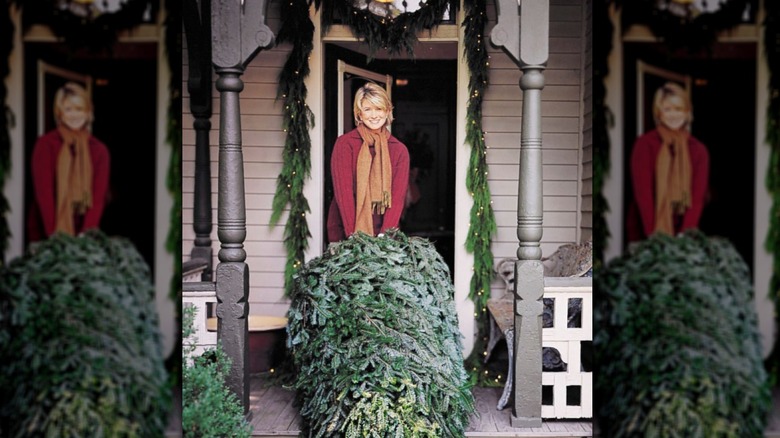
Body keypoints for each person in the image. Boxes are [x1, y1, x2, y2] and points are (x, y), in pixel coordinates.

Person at [27, 82, 111, 242]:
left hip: (85, 233)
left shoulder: (99, 151)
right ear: (59, 113)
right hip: (46, 233)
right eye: (68, 109)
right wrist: (55, 237)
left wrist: (85, 236)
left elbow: (98, 198)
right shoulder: (45, 145)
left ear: (88, 113)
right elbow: (43, 194)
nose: (74, 115)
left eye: (79, 109)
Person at [327, 82, 410, 242]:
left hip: (385, 233)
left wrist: (385, 236)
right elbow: (343, 194)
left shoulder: (399, 150)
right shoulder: (345, 144)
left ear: (387, 111)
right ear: (359, 114)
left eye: (379, 108)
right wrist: (354, 237)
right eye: (367, 109)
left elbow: (397, 198)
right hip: (345, 230)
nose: (374, 115)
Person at [627, 82, 709, 242]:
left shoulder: (698, 150)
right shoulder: (645, 144)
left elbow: (697, 198)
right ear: (659, 113)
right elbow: (643, 194)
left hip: (685, 233)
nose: (673, 115)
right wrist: (654, 236)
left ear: (687, 113)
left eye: (678, 109)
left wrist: (684, 236)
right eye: (667, 109)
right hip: (646, 232)